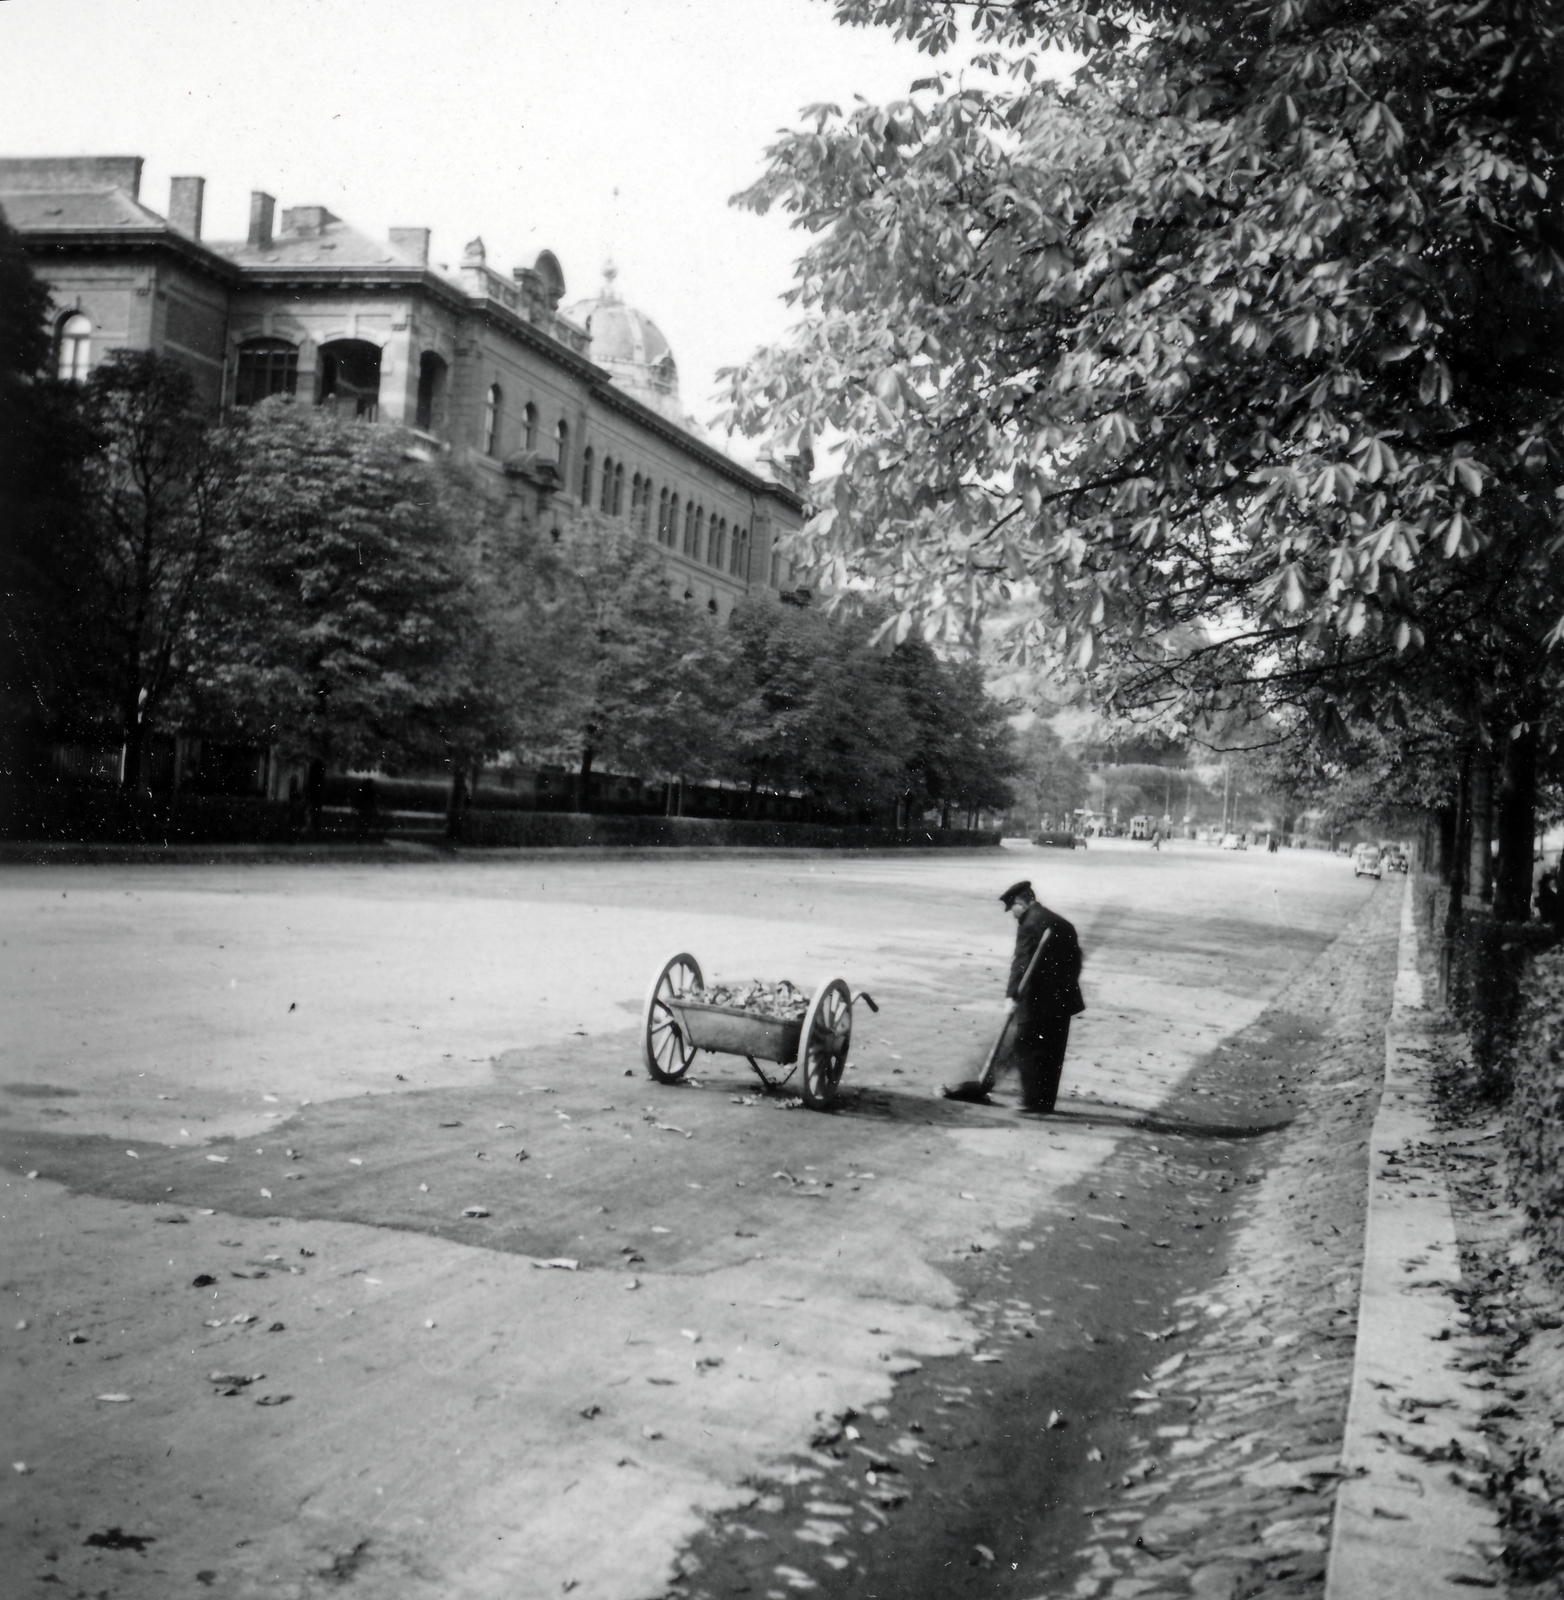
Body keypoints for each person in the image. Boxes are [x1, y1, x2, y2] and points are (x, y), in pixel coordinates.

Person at [999, 879, 1085, 1114]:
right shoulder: (1062, 923)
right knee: (1053, 1052)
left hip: (1036, 1000)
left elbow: (1021, 963)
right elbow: (1077, 961)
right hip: (1063, 998)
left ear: (1021, 902)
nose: (1013, 915)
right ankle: (1045, 1101)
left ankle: (1031, 1101)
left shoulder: (1029, 923)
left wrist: (1011, 996)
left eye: (1012, 909)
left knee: (1026, 1046)